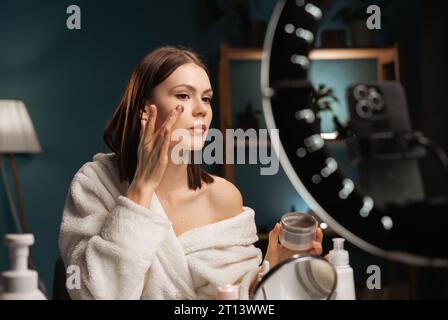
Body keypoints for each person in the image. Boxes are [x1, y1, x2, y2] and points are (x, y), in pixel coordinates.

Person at [58, 46, 323, 300]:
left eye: (206, 98)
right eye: (183, 95)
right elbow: (95, 294)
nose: (201, 109)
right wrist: (141, 188)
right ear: (144, 108)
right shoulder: (96, 184)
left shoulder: (223, 196)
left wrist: (271, 269)